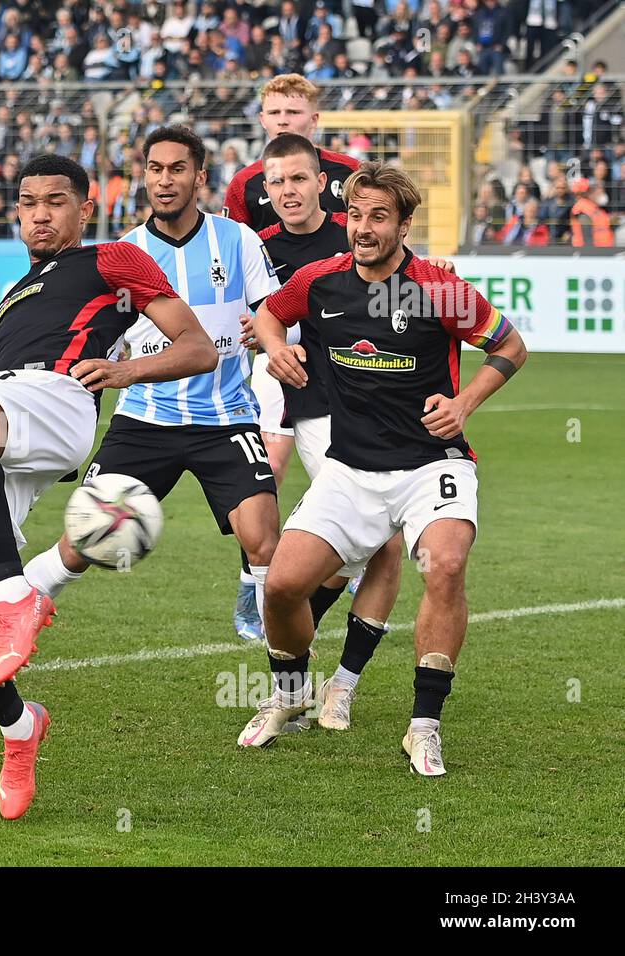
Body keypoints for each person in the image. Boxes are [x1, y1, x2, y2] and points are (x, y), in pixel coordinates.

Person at [0, 154, 217, 818]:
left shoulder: (112, 261)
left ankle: (16, 592)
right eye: (28, 202)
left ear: (85, 210)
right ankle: (20, 728)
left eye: (56, 201)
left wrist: (125, 371)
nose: (39, 213)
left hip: (55, 402)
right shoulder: (20, 287)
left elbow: (199, 347)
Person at [0, 126, 280, 717]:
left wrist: (275, 341)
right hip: (144, 420)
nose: (164, 179)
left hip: (225, 415)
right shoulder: (110, 254)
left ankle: (285, 683)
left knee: (263, 539)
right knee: (78, 544)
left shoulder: (231, 240)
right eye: (154, 168)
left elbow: (260, 314)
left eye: (177, 169)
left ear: (199, 176)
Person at [241, 162, 527, 776]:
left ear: (403, 225)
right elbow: (269, 313)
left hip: (432, 465)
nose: (363, 228)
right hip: (351, 469)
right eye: (356, 215)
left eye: (379, 217)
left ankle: (424, 725)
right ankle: (292, 693)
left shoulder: (440, 289)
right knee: (283, 585)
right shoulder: (320, 282)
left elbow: (510, 345)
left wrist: (463, 404)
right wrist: (277, 348)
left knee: (445, 566)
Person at [244, 134, 408, 730]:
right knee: (359, 540)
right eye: (276, 182)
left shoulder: (356, 231)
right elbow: (258, 315)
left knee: (384, 541)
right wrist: (268, 344)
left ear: (322, 184)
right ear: (265, 190)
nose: (287, 191)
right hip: (312, 408)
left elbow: (408, 287)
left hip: (376, 408)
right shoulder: (255, 247)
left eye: (297, 179)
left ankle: (340, 684)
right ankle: (296, 672)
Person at [224, 74, 361, 639]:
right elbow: (234, 268)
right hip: (274, 345)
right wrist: (258, 329)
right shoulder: (246, 190)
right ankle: (257, 581)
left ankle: (322, 571)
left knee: (347, 481)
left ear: (313, 120)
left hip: (337, 358)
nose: (283, 119)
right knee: (269, 468)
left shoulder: (348, 178)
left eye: (293, 112)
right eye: (274, 112)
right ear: (262, 121)